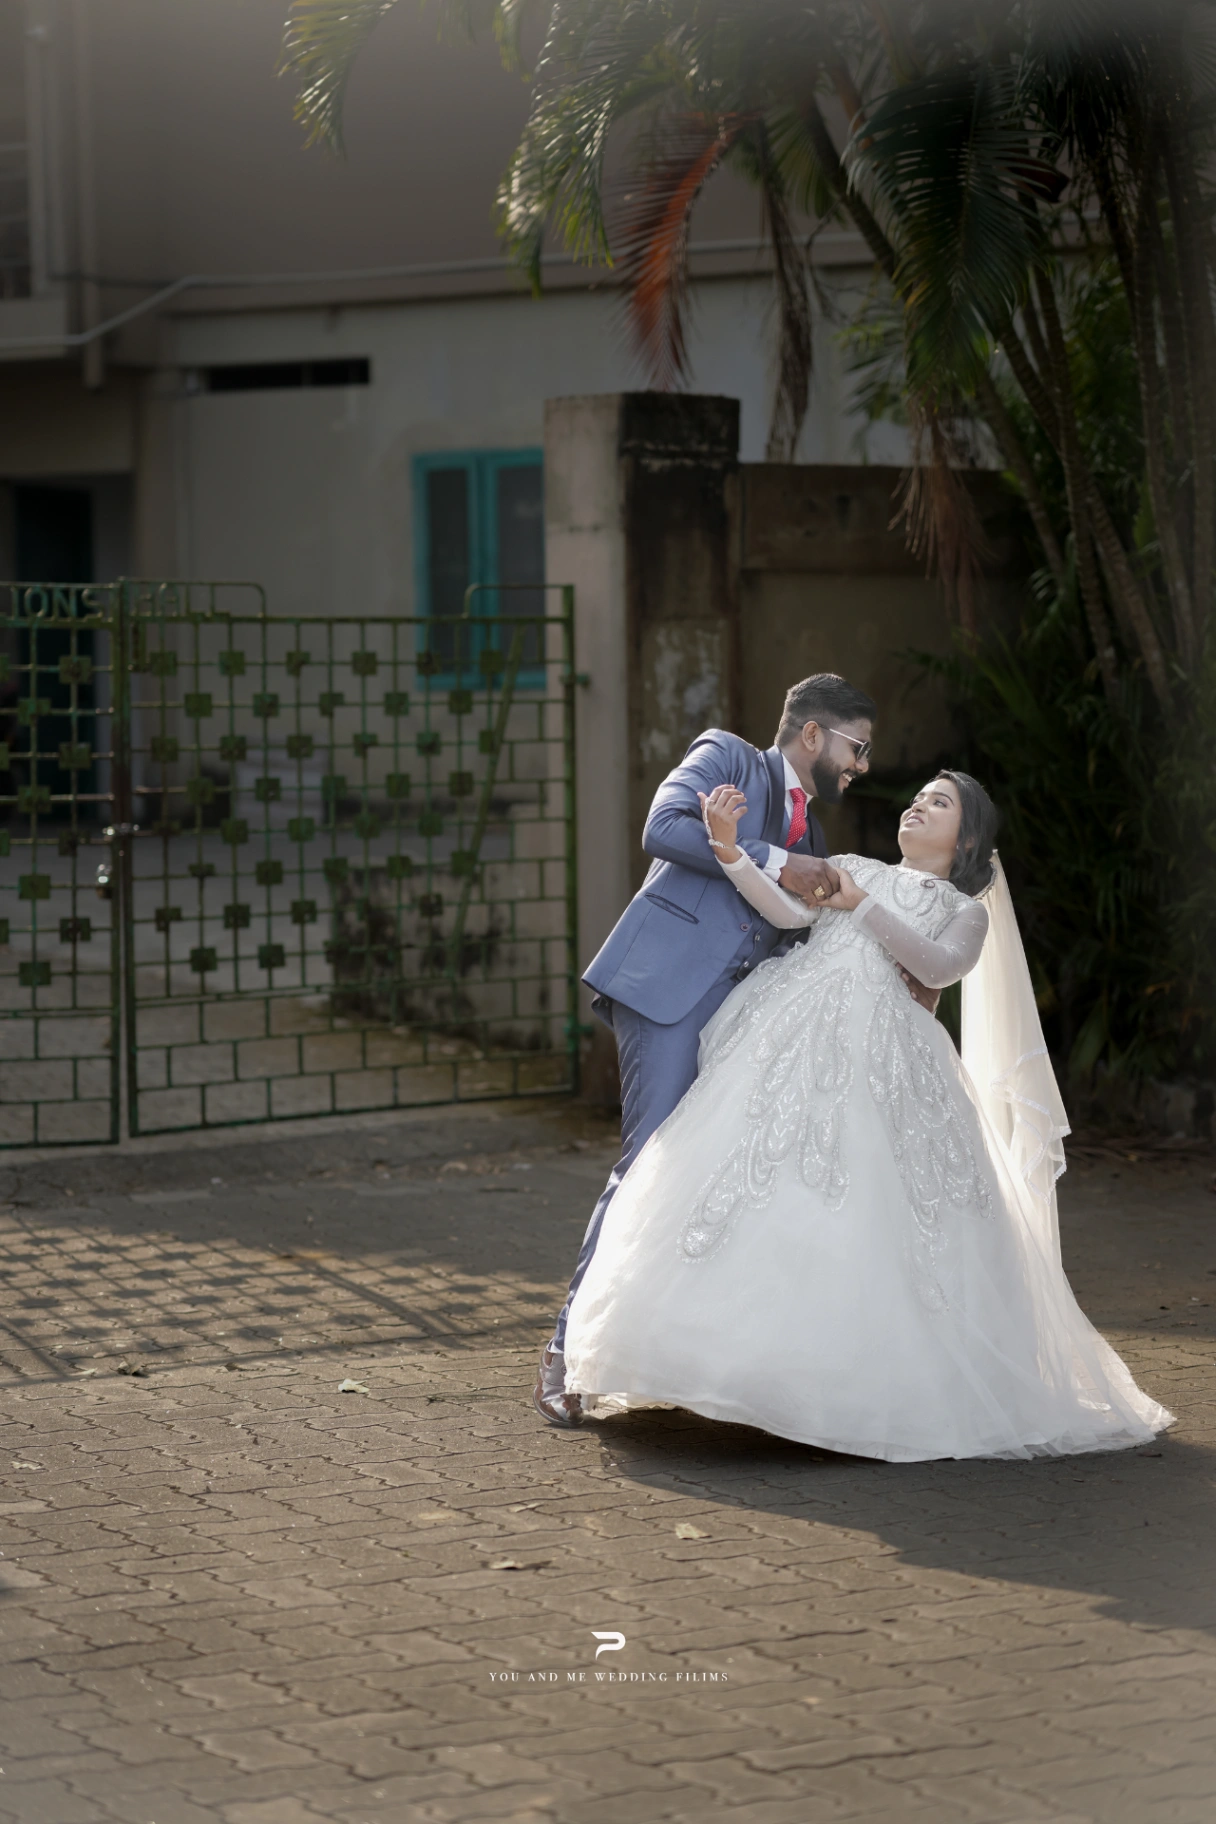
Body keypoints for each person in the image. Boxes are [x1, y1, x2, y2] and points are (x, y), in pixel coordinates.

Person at [560, 773, 1172, 1461]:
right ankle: (721, 1366)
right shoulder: (850, 867)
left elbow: (938, 968)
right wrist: (731, 851)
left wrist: (863, 909)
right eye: (919, 796)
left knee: (862, 1197)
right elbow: (789, 916)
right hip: (788, 1035)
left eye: (939, 803)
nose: (919, 804)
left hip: (885, 1054)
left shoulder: (964, 910)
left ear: (965, 838)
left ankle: (837, 1387)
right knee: (750, 1177)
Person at [534, 673, 910, 1427]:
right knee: (647, 1164)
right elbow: (665, 826)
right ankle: (566, 1354)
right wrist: (775, 858)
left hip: (744, 1015)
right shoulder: (728, 757)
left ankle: (664, 1354)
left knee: (706, 1179)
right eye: (856, 748)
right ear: (814, 735)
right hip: (669, 989)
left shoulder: (818, 836)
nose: (861, 766)